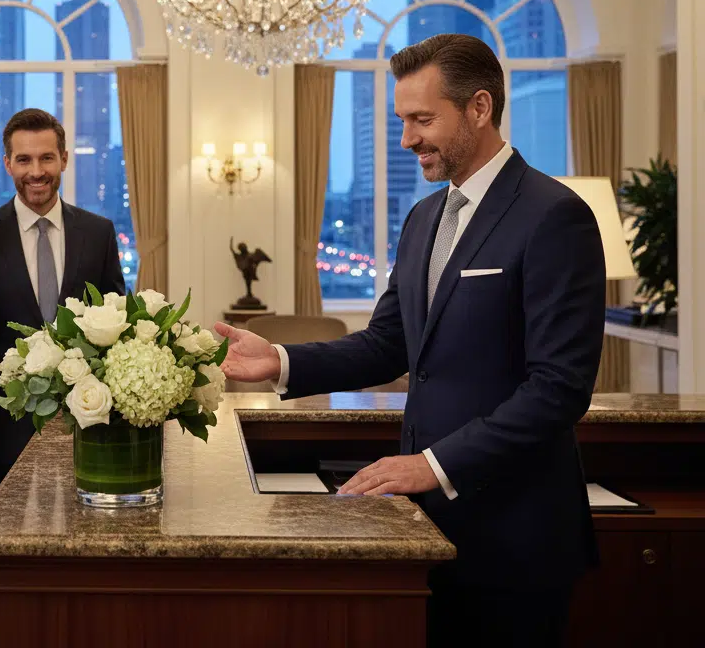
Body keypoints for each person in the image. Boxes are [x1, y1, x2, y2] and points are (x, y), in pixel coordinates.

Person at [214, 34, 604, 648]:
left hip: (516, 534)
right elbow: (391, 343)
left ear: (479, 108)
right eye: (403, 120)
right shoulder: (424, 218)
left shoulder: (555, 215)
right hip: (425, 523)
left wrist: (431, 464)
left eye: (423, 119)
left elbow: (558, 390)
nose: (406, 139)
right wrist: (281, 361)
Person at [0, 108, 127, 500]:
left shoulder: (98, 233)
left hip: (84, 419)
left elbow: (117, 320)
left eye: (46, 157)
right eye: (24, 159)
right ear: (7, 164)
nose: (36, 170)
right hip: (1, 426)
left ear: (64, 159)